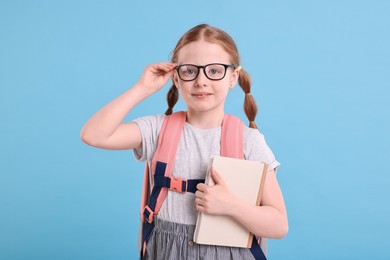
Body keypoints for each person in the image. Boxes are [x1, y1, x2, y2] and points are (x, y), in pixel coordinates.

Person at [81, 24, 288, 260]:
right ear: (176, 78)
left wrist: (231, 205)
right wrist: (142, 89)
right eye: (190, 71)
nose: (201, 81)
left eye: (214, 70)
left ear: (233, 77)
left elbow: (279, 225)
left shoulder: (249, 141)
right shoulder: (158, 130)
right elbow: (93, 134)